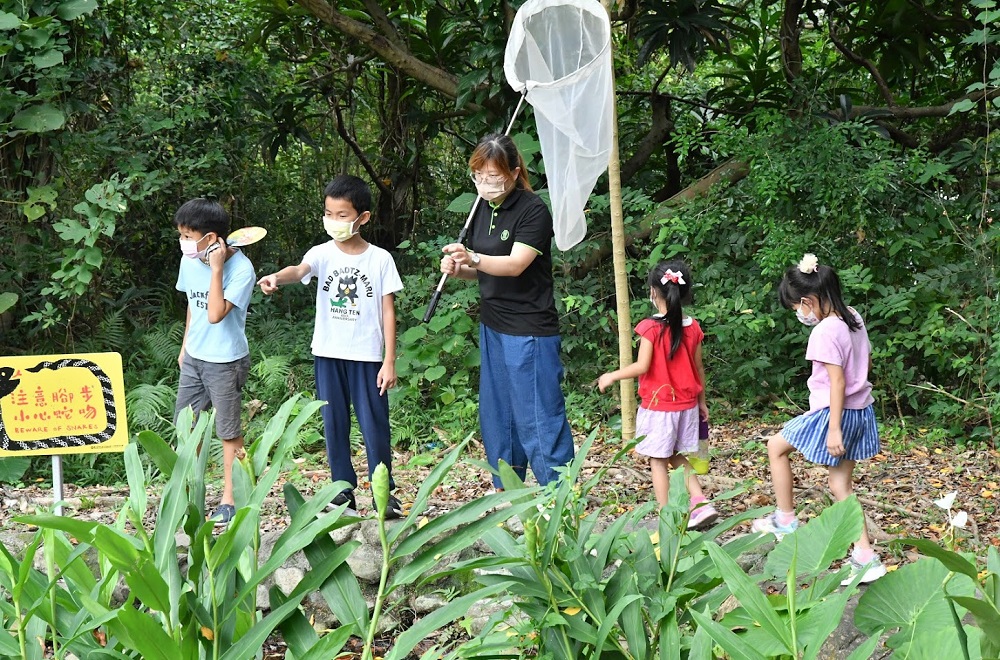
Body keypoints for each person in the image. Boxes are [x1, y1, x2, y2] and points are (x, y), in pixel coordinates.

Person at [257, 175, 403, 518]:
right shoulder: (321, 253)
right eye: (328, 213)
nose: (333, 221)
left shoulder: (380, 259)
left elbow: (388, 310)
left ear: (362, 217)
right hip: (327, 353)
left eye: (342, 214)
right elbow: (300, 270)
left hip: (367, 357)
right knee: (333, 422)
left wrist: (389, 360)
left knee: (374, 425)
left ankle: (385, 492)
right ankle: (342, 492)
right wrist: (277, 277)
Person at [439, 133, 575, 490]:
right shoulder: (481, 207)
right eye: (479, 177)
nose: (486, 185)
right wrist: (461, 269)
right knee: (499, 416)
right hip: (493, 324)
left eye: (494, 177)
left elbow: (515, 265)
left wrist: (474, 258)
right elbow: (481, 268)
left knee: (538, 415)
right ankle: (508, 490)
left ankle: (557, 495)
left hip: (529, 328)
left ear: (514, 173)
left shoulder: (533, 210)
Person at [752, 253, 885, 584]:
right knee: (841, 484)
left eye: (797, 307)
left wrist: (834, 428)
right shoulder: (853, 317)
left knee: (776, 447)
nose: (799, 313)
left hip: (832, 414)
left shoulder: (824, 332)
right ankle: (866, 557)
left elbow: (837, 381)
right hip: (861, 409)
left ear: (808, 300)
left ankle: (785, 520)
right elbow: (865, 364)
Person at [597, 261, 718, 529]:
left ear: (654, 292)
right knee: (675, 453)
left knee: (657, 460)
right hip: (686, 405)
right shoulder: (693, 327)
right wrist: (701, 402)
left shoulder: (650, 328)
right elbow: (699, 368)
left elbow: (642, 366)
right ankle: (700, 502)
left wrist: (612, 375)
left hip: (659, 405)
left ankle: (666, 515)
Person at [174, 198, 256, 526]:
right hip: (195, 357)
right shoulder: (189, 262)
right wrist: (184, 348)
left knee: (228, 432)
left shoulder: (242, 270)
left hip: (226, 361)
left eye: (188, 235)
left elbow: (214, 313)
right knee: (186, 428)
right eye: (180, 234)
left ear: (211, 239)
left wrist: (218, 268)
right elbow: (193, 307)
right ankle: (188, 494)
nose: (183, 242)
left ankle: (230, 498)